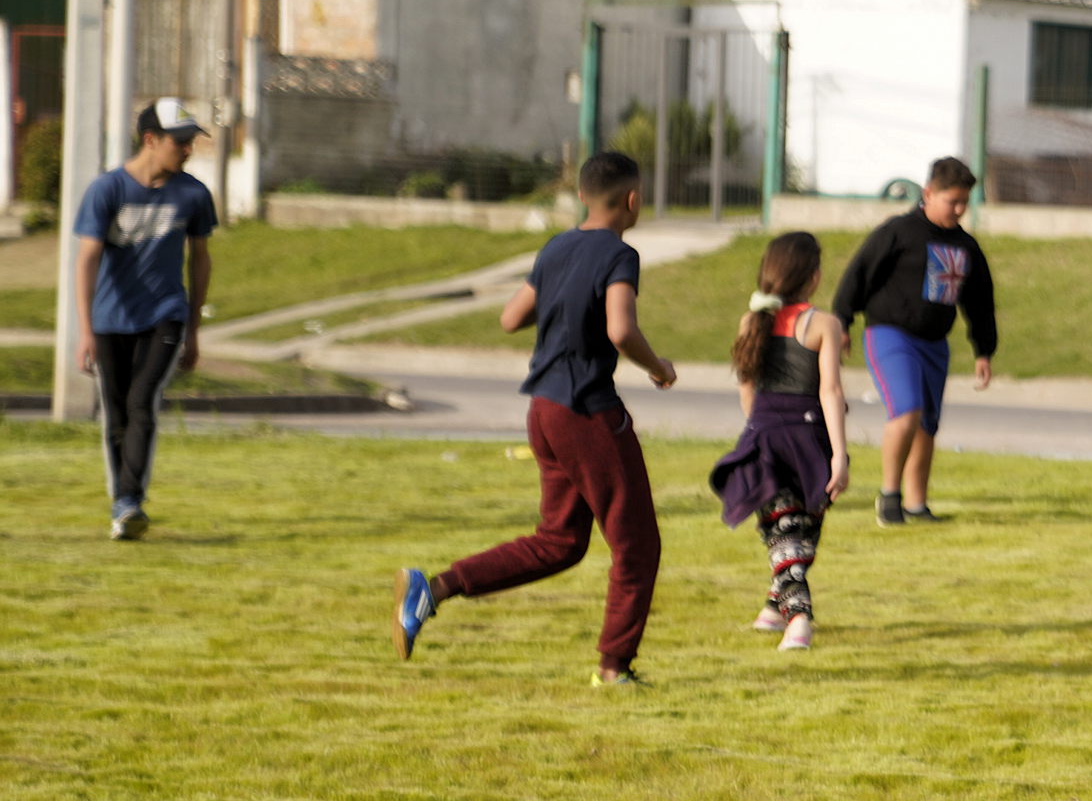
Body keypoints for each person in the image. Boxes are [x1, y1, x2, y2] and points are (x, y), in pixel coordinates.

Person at [391, 152, 677, 685]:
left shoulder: (557, 247)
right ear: (632, 200)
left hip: (543, 411)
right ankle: (614, 668)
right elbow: (620, 329)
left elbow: (510, 318)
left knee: (560, 542)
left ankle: (434, 588)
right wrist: (658, 367)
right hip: (588, 413)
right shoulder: (620, 254)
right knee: (638, 545)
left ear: (584, 197)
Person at [72, 98, 215, 540]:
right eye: (181, 142)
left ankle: (131, 498)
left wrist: (192, 330)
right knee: (116, 411)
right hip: (111, 320)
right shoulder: (108, 190)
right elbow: (87, 260)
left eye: (192, 142)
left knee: (140, 402)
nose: (189, 150)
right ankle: (123, 505)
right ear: (151, 140)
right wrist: (85, 331)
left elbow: (201, 260)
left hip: (164, 316)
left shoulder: (192, 194)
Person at [831, 157, 996, 527]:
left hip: (935, 343)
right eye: (951, 201)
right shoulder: (900, 232)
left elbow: (980, 301)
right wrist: (843, 319)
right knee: (907, 411)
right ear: (928, 193)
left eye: (964, 203)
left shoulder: (966, 246)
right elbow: (859, 273)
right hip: (890, 334)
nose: (958, 209)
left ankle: (917, 505)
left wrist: (984, 350)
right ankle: (889, 497)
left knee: (927, 425)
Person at [707, 232, 850, 652]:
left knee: (790, 533)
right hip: (812, 440)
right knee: (796, 533)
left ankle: (775, 607)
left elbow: (746, 389)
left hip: (766, 437)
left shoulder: (751, 321)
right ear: (814, 276)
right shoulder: (824, 324)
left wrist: (757, 431)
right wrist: (839, 455)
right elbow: (831, 393)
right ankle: (798, 618)